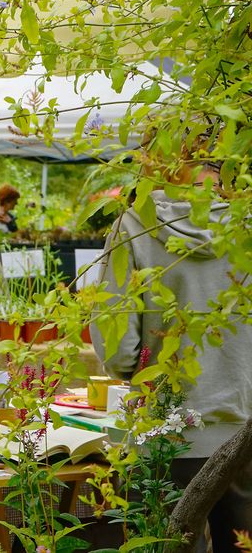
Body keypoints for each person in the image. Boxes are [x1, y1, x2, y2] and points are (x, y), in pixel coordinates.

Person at [91, 136, 250, 551]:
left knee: (166, 544)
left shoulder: (133, 223)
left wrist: (132, 372)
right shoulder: (246, 223)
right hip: (245, 426)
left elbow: (117, 342)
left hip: (167, 431)